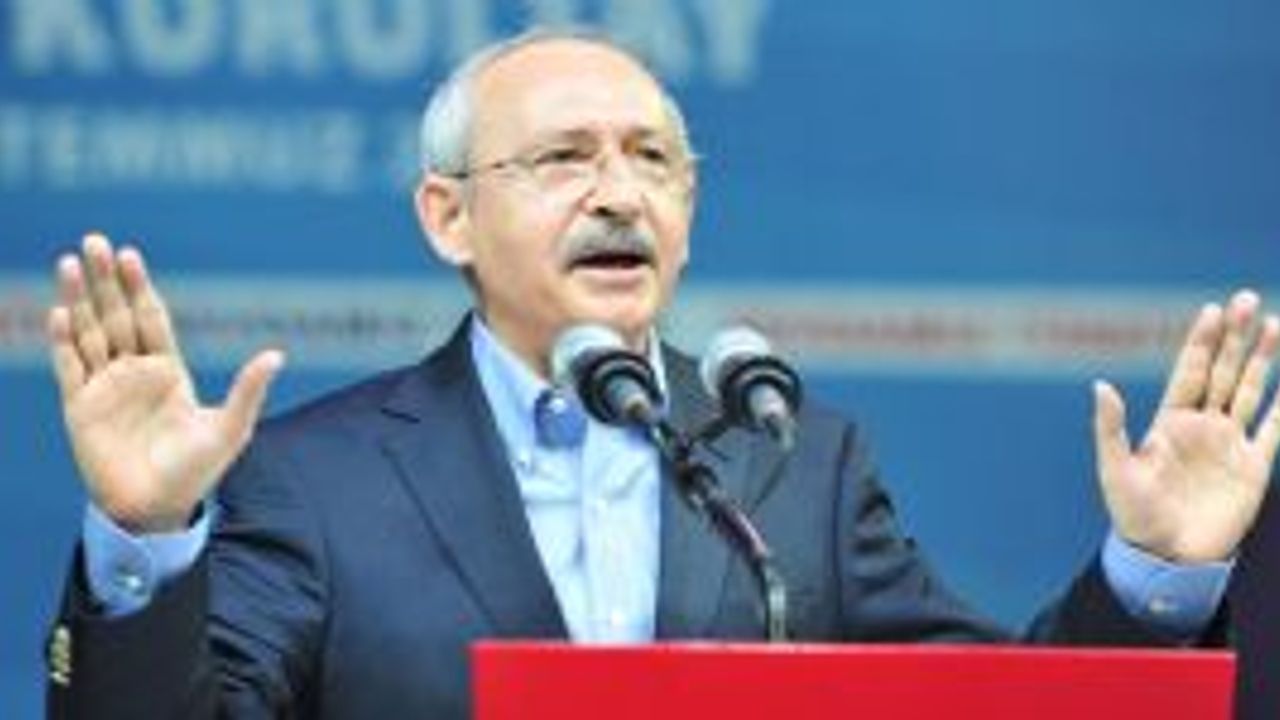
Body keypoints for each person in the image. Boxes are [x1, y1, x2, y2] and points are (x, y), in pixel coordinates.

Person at [44, 28, 1280, 719]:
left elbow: (991, 709)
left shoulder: (790, 458)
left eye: (652, 160)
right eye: (562, 159)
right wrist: (144, 538)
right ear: (446, 217)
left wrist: (1153, 574)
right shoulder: (318, 480)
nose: (618, 194)